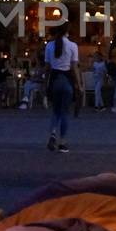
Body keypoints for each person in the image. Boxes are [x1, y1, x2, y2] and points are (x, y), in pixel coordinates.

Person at [43, 24, 81, 152]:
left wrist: (45, 83)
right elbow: (74, 67)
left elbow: (47, 68)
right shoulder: (73, 46)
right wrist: (79, 84)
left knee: (55, 110)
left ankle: (53, 133)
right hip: (67, 79)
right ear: (67, 32)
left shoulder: (49, 46)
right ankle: (62, 142)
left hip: (54, 79)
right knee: (65, 112)